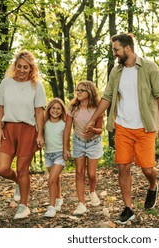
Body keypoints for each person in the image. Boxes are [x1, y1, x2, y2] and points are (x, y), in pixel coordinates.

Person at [85, 33, 159, 225]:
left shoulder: (149, 68)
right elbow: (106, 97)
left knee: (148, 169)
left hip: (145, 127)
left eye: (116, 49)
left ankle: (153, 185)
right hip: (123, 126)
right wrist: (92, 119)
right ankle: (128, 208)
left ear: (127, 48)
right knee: (123, 167)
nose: (114, 53)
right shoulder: (116, 72)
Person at [0, 50, 47, 220]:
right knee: (1, 169)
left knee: (23, 169)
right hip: (8, 128)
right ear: (14, 66)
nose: (22, 70)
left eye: (26, 67)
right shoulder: (6, 83)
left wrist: (40, 135)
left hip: (28, 129)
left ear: (31, 68)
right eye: (19, 66)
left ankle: (24, 206)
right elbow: (1, 108)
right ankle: (18, 182)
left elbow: (39, 112)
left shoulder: (36, 86)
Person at [63, 80, 104, 216]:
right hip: (78, 142)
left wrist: (92, 129)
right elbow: (67, 129)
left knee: (91, 174)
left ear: (90, 92)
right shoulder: (73, 108)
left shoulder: (97, 108)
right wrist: (66, 148)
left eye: (82, 90)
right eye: (77, 90)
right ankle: (81, 203)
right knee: (79, 172)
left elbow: (100, 130)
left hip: (93, 143)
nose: (78, 92)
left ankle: (92, 191)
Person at [43, 98, 67, 218]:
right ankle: (59, 198)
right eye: (53, 108)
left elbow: (66, 139)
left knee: (51, 180)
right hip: (48, 155)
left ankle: (51, 207)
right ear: (49, 109)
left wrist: (66, 150)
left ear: (62, 111)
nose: (56, 110)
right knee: (55, 179)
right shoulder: (45, 123)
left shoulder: (64, 124)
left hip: (59, 155)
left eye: (58, 108)